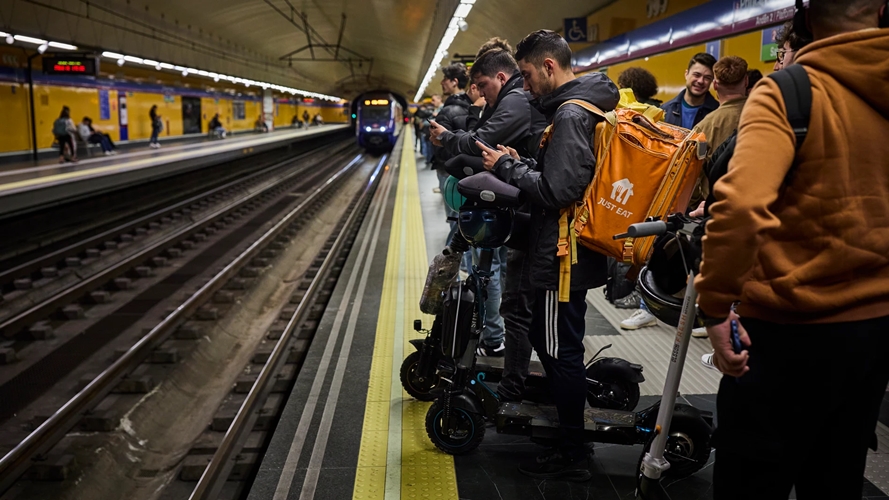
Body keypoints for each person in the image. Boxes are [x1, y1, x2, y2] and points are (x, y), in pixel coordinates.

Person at [696, 2, 889, 498]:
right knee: (835, 480)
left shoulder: (790, 92)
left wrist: (715, 307)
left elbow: (740, 207)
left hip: (786, 335)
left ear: (804, 18)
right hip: (873, 337)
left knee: (751, 483)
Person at [478, 29, 619, 481]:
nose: (524, 84)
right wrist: (519, 164)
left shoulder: (572, 114)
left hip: (563, 259)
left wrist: (507, 166)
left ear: (549, 67)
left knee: (561, 351)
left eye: (526, 74)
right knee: (553, 342)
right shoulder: (575, 108)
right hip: (560, 253)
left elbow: (558, 190)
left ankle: (573, 452)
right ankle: (569, 429)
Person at [661, 52, 719, 129]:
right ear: (686, 74)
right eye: (696, 75)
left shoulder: (717, 113)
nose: (700, 81)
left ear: (712, 81)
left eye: (707, 78)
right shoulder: (665, 111)